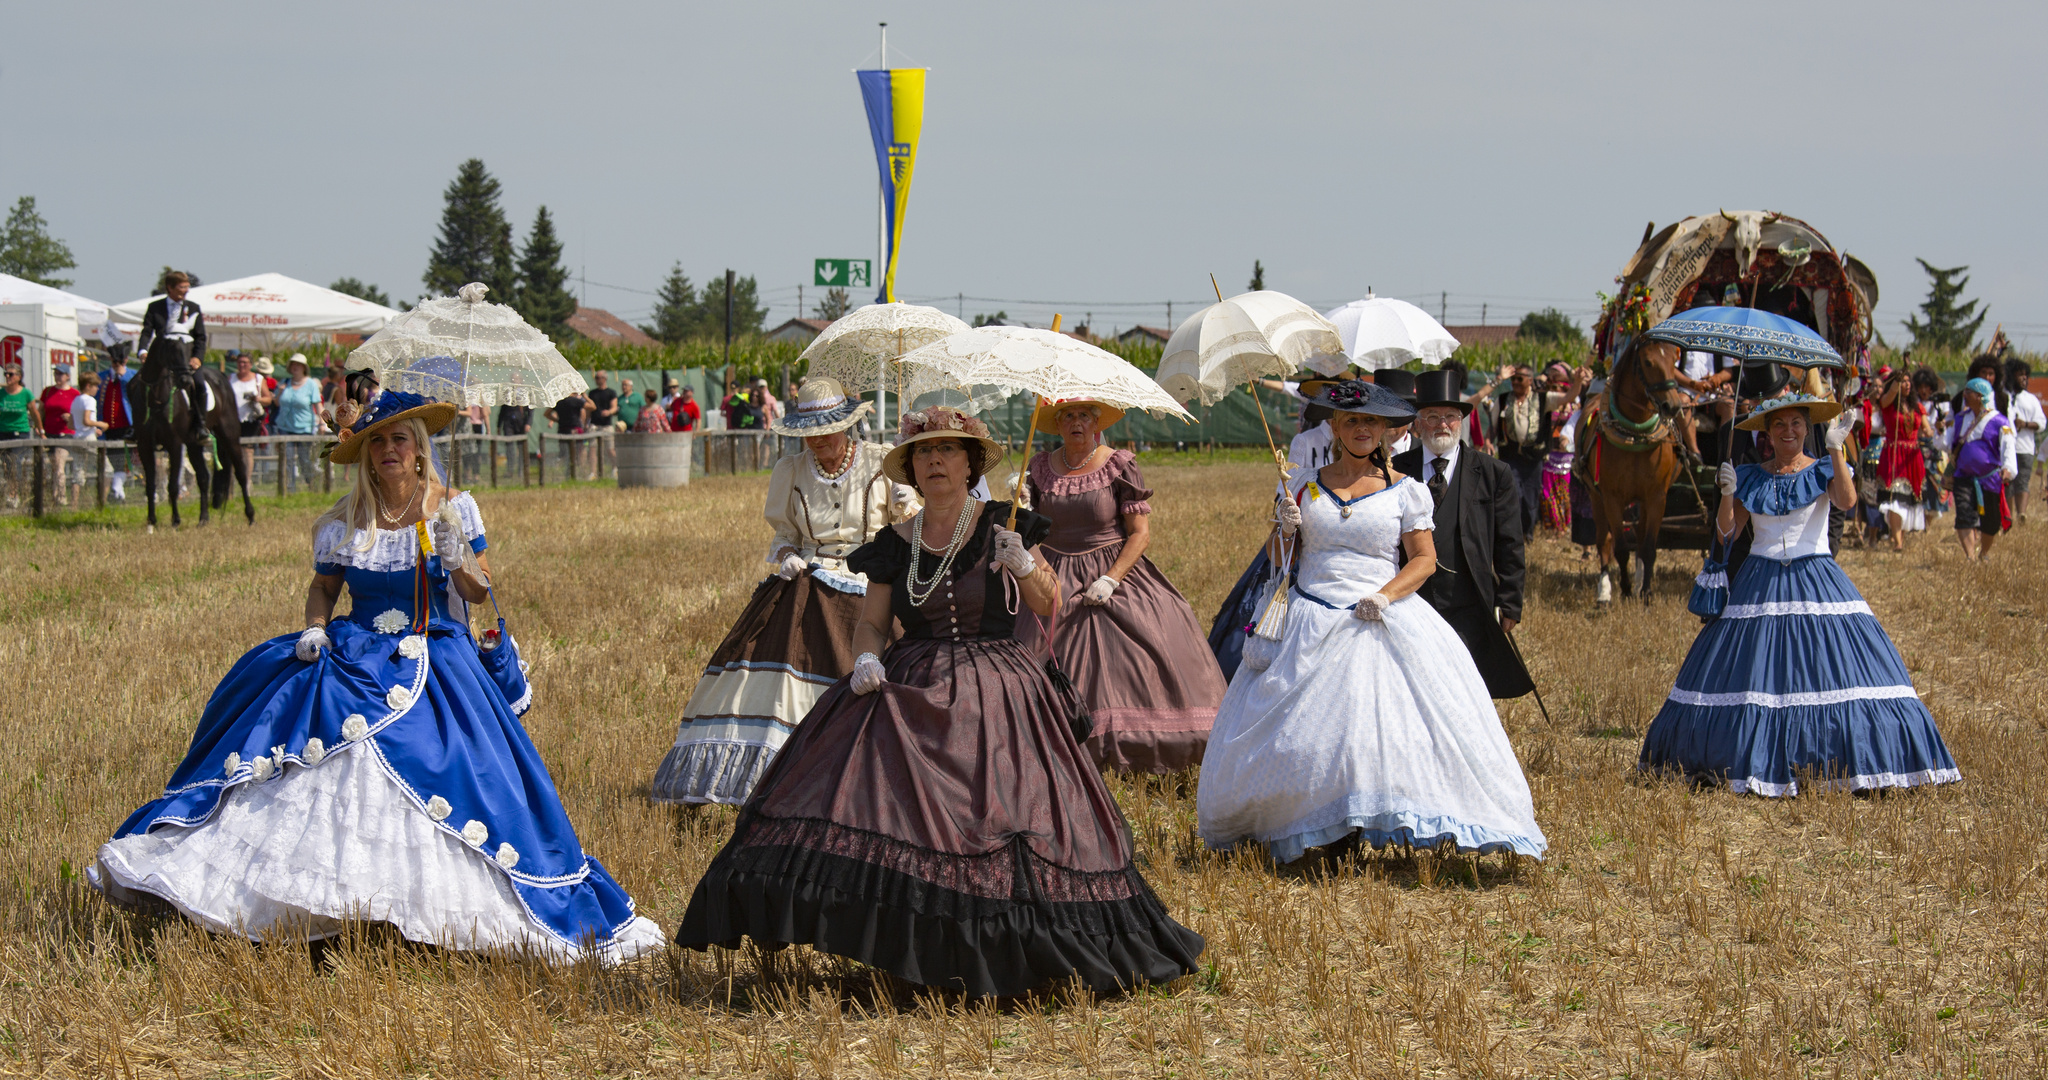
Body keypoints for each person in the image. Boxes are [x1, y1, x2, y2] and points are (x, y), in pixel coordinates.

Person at [91, 390, 664, 960]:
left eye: (399, 440)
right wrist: (315, 627)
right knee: (298, 735)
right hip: (355, 649)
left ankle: (422, 909)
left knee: (448, 764)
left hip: (436, 657)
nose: (388, 450)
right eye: (377, 442)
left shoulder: (454, 506)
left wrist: (455, 552)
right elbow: (324, 587)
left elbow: (479, 592)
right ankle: (319, 903)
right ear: (365, 454)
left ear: (419, 449)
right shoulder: (346, 520)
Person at [677, 406, 1203, 996]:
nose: (934, 461)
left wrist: (1024, 563)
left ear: (970, 461)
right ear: (911, 468)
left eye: (947, 451)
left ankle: (1011, 946)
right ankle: (914, 941)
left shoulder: (1008, 523)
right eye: (923, 453)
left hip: (999, 686)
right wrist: (867, 658)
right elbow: (873, 624)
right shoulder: (893, 543)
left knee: (1002, 815)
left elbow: (1049, 602)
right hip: (914, 674)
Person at [1198, 380, 1547, 864]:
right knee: (1307, 734)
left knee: (1372, 728)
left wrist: (1384, 596)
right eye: (1353, 421)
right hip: (1309, 615)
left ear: (1385, 431)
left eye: (1372, 422)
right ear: (1336, 427)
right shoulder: (1305, 484)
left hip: (1378, 614)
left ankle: (1363, 820)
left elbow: (1424, 559)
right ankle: (1310, 825)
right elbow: (1283, 560)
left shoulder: (1407, 491)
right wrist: (1284, 527)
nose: (1363, 429)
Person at [1640, 395, 1961, 796]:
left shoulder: (1825, 466)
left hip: (1816, 575)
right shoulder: (1750, 476)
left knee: (1834, 671)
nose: (1788, 431)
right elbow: (1727, 535)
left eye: (1796, 423)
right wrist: (1726, 492)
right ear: (1767, 432)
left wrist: (1835, 448)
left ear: (1806, 428)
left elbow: (1846, 501)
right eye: (1779, 425)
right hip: (1759, 579)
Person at [653, 379, 914, 804]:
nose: (819, 442)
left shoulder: (882, 463)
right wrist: (790, 554)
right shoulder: (790, 471)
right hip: (808, 583)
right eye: (811, 434)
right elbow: (784, 535)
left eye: (827, 431)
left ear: (846, 425)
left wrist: (908, 502)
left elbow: (912, 529)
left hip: (872, 580)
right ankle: (777, 777)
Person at [1017, 399, 1225, 773]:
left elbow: (1140, 534)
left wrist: (1111, 578)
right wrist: (1020, 508)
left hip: (1114, 569)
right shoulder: (1038, 469)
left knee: (1147, 644)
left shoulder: (1119, 465)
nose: (1076, 422)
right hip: (1053, 572)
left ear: (1096, 423)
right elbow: (1028, 530)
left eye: (1083, 416)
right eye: (1068, 416)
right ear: (1058, 424)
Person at [1391, 370, 1536, 700]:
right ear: (1418, 422)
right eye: (1432, 416)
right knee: (1414, 687)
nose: (1442, 424)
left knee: (1462, 688)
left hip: (1469, 602)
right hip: (1412, 601)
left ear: (1461, 421)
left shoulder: (1492, 473)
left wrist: (1511, 602)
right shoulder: (1398, 469)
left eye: (1451, 417)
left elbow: (1510, 541)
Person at [1947, 376, 2017, 560]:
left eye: (1969, 392)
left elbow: (2008, 445)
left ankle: (1983, 553)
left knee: (1991, 523)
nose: (1965, 395)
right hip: (1963, 477)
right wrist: (1940, 431)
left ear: (1980, 396)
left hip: (1990, 479)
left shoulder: (1999, 421)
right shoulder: (1961, 418)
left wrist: (2008, 467)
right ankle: (1970, 556)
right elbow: (1947, 442)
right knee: (1964, 516)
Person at [135, 270, 206, 425]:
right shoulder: (155, 307)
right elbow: (147, 332)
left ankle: (200, 424)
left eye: (187, 287)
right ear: (170, 288)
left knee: (199, 384)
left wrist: (197, 357)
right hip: (161, 358)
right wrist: (143, 351)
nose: (186, 290)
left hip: (185, 360)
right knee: (135, 384)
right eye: (182, 287)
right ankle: (137, 426)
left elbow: (200, 337)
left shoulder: (193, 308)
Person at [1494, 366, 1549, 537]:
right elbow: (1494, 424)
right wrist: (1489, 440)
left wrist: (1577, 382)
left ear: (1530, 380)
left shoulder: (1542, 399)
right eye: (1513, 379)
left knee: (1531, 497)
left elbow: (1568, 397)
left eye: (1520, 379)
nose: (1515, 383)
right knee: (1514, 493)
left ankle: (1529, 531)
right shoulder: (1503, 399)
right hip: (1510, 456)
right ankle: (1514, 532)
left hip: (1533, 457)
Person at [274, 356, 323, 493]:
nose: (295, 367)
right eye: (293, 364)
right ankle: (290, 488)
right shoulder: (284, 383)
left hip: (304, 427)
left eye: (298, 365)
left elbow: (318, 405)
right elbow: (277, 403)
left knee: (305, 460)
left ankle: (311, 484)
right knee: (287, 459)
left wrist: (323, 424)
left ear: (304, 368)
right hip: (285, 427)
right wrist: (280, 392)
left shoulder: (311, 384)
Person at [2004, 359, 2043, 524]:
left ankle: (2022, 514)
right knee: (2008, 483)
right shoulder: (2003, 396)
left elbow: (2041, 423)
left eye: (2026, 375)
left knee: (2023, 481)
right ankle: (2008, 516)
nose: (2024, 378)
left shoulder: (2031, 399)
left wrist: (2025, 424)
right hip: (2006, 448)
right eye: (2020, 374)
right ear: (2011, 376)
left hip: (2025, 448)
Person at [98, 350, 138, 502]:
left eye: (121, 362)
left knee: (127, 459)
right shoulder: (103, 377)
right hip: (108, 427)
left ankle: (117, 490)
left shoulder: (132, 375)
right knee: (114, 459)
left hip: (128, 426)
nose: (117, 365)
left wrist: (123, 375)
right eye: (115, 362)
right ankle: (117, 491)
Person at [228, 352, 272, 482]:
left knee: (247, 451)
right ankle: (231, 483)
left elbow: (268, 399)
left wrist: (258, 399)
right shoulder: (231, 378)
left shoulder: (258, 379)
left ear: (250, 365)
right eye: (239, 362)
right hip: (233, 420)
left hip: (251, 419)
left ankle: (246, 481)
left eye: (245, 362)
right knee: (232, 450)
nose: (242, 365)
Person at [0, 364, 35, 507]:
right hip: (3, 432)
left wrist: (40, 429)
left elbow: (34, 412)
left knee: (14, 464)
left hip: (20, 433)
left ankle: (13, 495)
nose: (7, 376)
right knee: (6, 465)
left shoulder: (26, 393)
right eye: (6, 374)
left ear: (19, 377)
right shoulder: (1, 393)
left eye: (11, 374)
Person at [546, 389, 589, 479]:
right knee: (577, 453)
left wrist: (557, 420)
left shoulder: (559, 402)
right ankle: (574, 473)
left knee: (565, 454)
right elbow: (592, 407)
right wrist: (585, 396)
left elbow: (547, 413)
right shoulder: (576, 401)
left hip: (562, 430)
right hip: (575, 430)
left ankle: (567, 473)